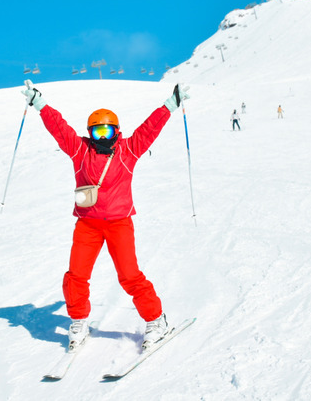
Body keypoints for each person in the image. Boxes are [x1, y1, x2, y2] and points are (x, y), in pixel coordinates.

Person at [21, 81, 190, 351]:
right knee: (76, 276)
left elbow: (149, 129)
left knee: (129, 275)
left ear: (116, 131)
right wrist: (39, 103)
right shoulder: (80, 151)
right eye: (97, 131)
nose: (102, 136)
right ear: (90, 133)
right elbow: (59, 127)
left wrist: (171, 104)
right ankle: (78, 321)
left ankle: (156, 320)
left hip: (119, 224)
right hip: (87, 225)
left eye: (107, 130)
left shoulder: (128, 150)